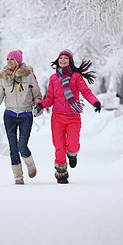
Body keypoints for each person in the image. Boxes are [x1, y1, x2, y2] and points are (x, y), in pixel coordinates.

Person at [34, 49, 101, 184]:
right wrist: (41, 105)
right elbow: (50, 98)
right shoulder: (53, 78)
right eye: (60, 58)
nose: (62, 60)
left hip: (73, 117)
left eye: (65, 58)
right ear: (57, 61)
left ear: (70, 61)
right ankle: (61, 173)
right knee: (59, 146)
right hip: (57, 117)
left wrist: (95, 101)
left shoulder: (76, 76)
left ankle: (72, 154)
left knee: (73, 144)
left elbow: (85, 91)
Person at [0, 50, 42, 185]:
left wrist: (39, 107)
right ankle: (18, 176)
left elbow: (37, 96)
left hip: (26, 115)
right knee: (12, 147)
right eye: (8, 59)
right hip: (9, 116)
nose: (9, 62)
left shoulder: (29, 75)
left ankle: (30, 164)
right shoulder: (3, 77)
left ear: (18, 62)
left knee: (22, 146)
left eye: (12, 59)